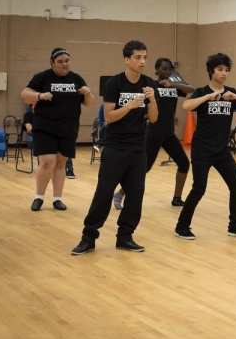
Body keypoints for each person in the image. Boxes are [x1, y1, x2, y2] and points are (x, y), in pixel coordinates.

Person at [71, 40, 158, 255]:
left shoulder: (148, 83)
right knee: (103, 193)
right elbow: (109, 117)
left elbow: (154, 119)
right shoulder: (115, 83)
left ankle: (125, 236)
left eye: (145, 57)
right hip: (115, 146)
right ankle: (88, 237)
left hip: (138, 147)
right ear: (127, 59)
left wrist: (153, 100)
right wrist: (129, 106)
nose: (142, 61)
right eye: (138, 57)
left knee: (136, 195)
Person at [174, 53, 236, 240]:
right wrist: (209, 97)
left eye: (227, 70)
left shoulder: (231, 92)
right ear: (211, 71)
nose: (224, 73)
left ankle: (235, 226)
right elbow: (186, 106)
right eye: (220, 69)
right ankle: (182, 226)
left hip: (221, 150)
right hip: (202, 149)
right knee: (199, 188)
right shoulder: (203, 92)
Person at [113, 58, 194, 210]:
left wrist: (172, 84)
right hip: (153, 133)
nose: (167, 72)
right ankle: (120, 193)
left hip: (169, 134)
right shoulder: (151, 85)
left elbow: (191, 89)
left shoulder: (174, 86)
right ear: (157, 70)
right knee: (144, 168)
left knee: (184, 163)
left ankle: (177, 198)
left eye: (170, 69)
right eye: (164, 69)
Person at [21, 48, 95, 211]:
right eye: (60, 61)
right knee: (47, 161)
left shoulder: (76, 78)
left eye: (67, 61)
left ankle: (57, 199)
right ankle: (39, 197)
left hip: (68, 127)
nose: (64, 64)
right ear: (52, 63)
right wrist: (40, 96)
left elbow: (89, 103)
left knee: (61, 162)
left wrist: (88, 94)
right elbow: (25, 94)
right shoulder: (42, 77)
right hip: (45, 126)